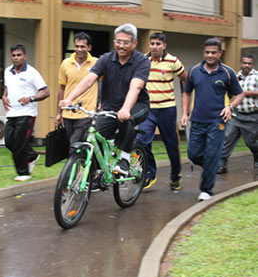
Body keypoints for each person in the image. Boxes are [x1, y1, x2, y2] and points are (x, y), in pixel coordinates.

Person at [59, 23, 150, 184]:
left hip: (137, 105)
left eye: (126, 42)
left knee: (126, 119)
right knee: (91, 136)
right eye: (118, 41)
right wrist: (69, 98)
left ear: (134, 43)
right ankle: (96, 173)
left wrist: (126, 108)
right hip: (110, 107)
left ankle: (125, 159)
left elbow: (135, 87)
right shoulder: (106, 59)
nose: (121, 45)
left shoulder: (141, 61)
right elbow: (88, 80)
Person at [180, 38, 243, 201]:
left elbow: (239, 93)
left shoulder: (228, 73)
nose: (210, 55)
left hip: (218, 121)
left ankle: (206, 190)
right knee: (193, 154)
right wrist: (185, 113)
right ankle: (211, 166)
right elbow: (186, 92)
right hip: (197, 120)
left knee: (212, 154)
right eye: (207, 52)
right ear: (203, 52)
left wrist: (230, 107)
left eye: (213, 52)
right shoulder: (194, 71)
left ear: (220, 53)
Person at [135, 33, 187, 191]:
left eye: (158, 44)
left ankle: (175, 177)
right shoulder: (143, 60)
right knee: (141, 142)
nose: (154, 47)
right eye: (152, 43)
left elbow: (185, 78)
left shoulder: (173, 61)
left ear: (164, 45)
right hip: (148, 109)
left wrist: (185, 95)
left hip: (167, 109)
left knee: (172, 145)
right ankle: (149, 173)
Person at [2, 44, 50, 182]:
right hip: (11, 112)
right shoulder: (7, 71)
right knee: (9, 142)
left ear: (24, 57)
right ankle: (32, 155)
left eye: (19, 55)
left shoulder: (32, 73)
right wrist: (4, 97)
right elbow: (6, 88)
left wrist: (30, 98)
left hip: (27, 113)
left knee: (18, 143)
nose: (16, 58)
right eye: (14, 55)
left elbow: (45, 92)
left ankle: (24, 173)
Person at [55, 32, 99, 155]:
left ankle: (71, 173)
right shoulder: (65, 63)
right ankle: (91, 171)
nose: (79, 49)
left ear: (89, 47)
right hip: (68, 112)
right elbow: (61, 88)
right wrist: (58, 113)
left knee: (74, 145)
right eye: (77, 46)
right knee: (78, 145)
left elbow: (106, 84)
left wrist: (102, 104)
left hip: (87, 112)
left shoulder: (96, 63)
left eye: (82, 46)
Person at [217, 54, 258, 174]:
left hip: (252, 115)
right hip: (236, 115)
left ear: (252, 65)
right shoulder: (235, 77)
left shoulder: (256, 76)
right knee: (227, 138)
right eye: (244, 63)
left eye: (249, 63)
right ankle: (222, 165)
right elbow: (228, 93)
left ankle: (257, 155)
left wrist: (245, 92)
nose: (246, 65)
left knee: (251, 141)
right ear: (241, 63)